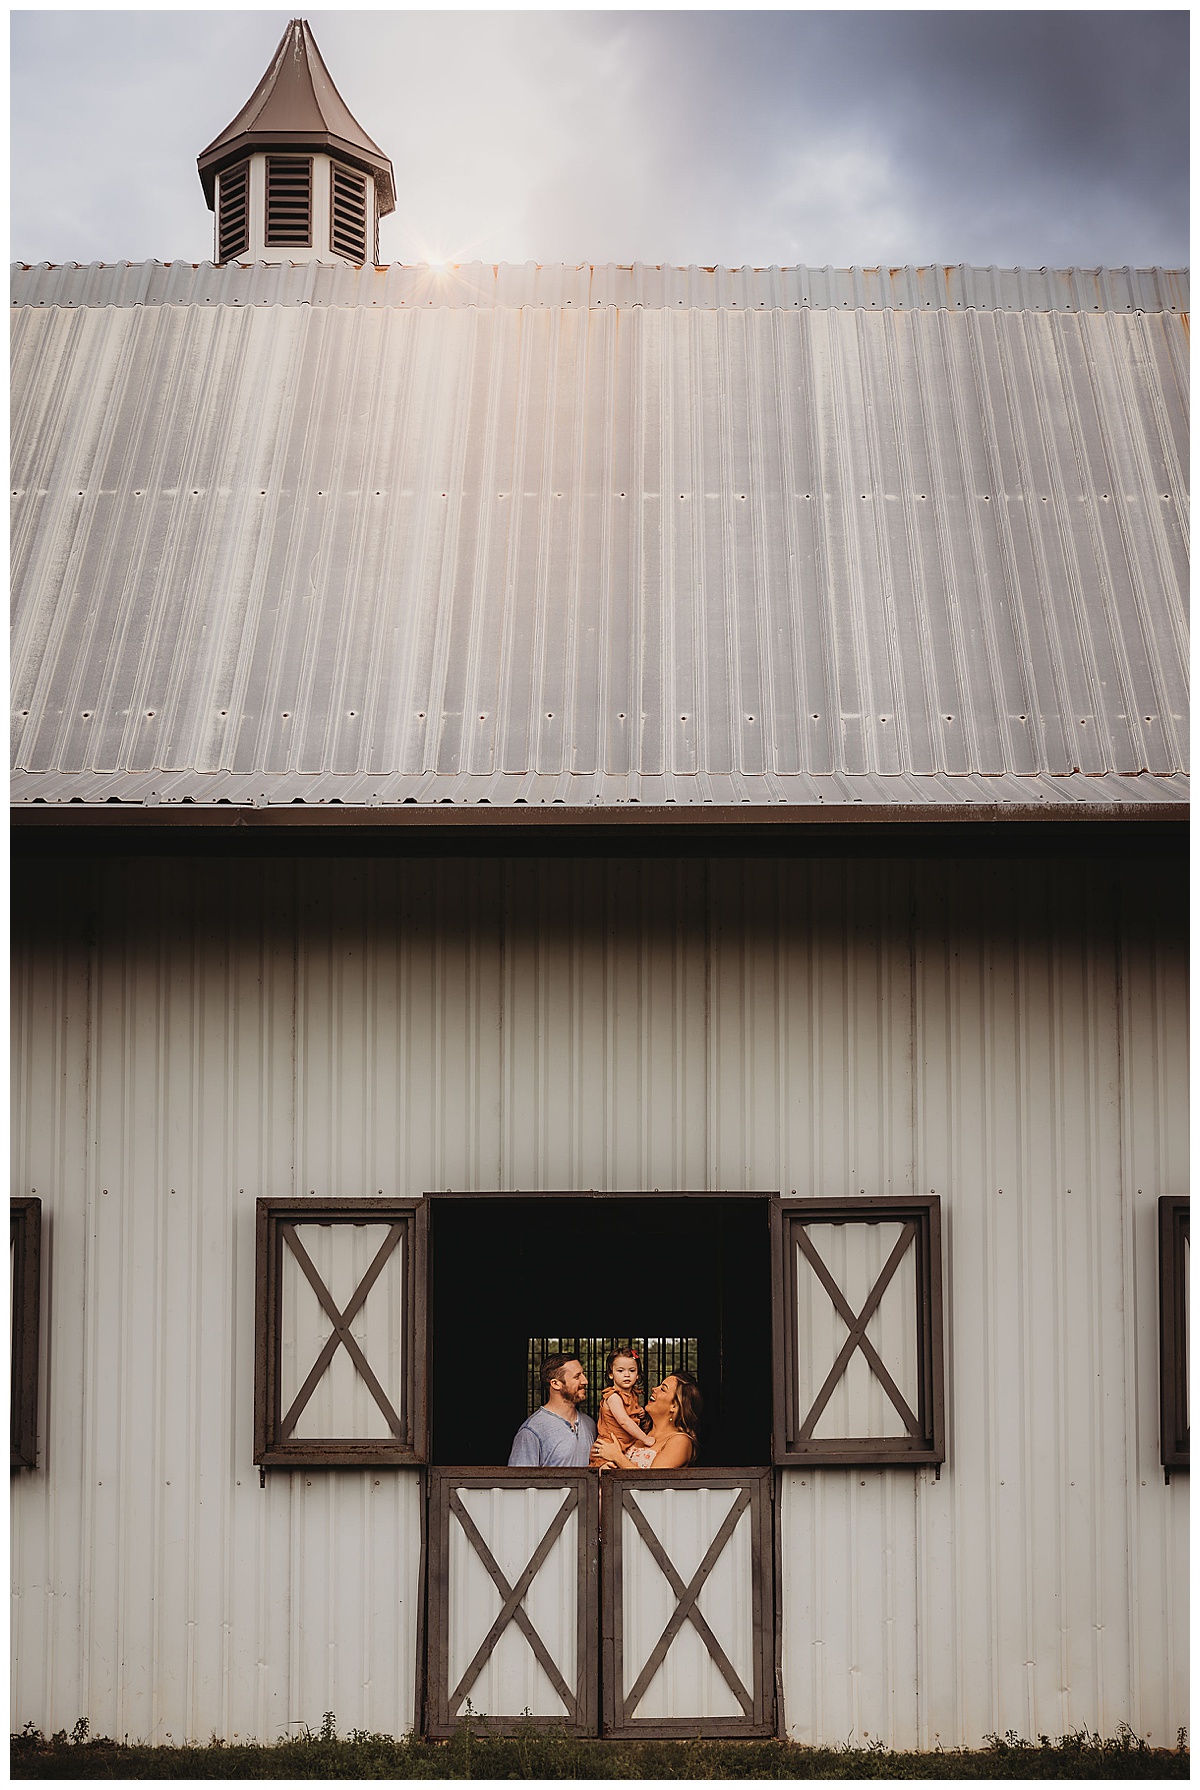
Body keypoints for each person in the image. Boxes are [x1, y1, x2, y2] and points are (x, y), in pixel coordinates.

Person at [591, 1369, 701, 1470]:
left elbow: (649, 1482)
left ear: (674, 1406)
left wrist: (617, 1456)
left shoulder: (680, 1441)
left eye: (663, 1389)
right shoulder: (640, 1432)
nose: (654, 1389)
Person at [508, 1353, 597, 1467]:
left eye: (583, 1374)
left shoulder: (589, 1424)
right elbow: (518, 1483)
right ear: (555, 1384)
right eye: (577, 1376)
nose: (585, 1381)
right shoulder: (532, 1431)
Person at [595, 1347, 648, 1457]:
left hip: (626, 1444)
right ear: (611, 1374)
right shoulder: (613, 1397)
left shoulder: (633, 1394)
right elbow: (624, 1420)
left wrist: (639, 1411)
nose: (627, 1374)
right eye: (620, 1370)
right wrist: (645, 1438)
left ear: (637, 1374)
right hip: (610, 1444)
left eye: (632, 1370)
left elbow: (631, 1412)